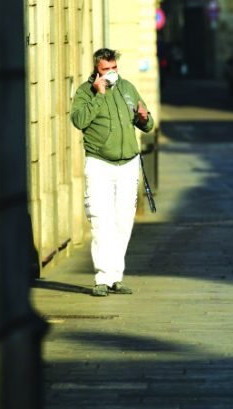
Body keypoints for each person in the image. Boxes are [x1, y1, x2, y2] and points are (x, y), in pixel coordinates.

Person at [70, 48, 154, 297]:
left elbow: (147, 123)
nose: (112, 73)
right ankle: (101, 278)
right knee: (100, 219)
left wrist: (143, 118)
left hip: (128, 163)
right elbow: (79, 120)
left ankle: (116, 276)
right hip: (99, 163)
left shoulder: (127, 88)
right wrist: (98, 94)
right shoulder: (86, 92)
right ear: (97, 69)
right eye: (107, 69)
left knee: (123, 220)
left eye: (114, 68)